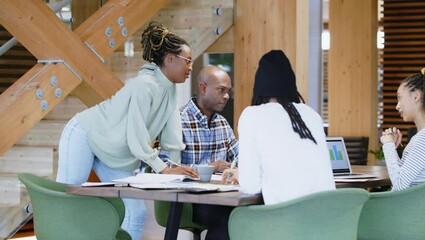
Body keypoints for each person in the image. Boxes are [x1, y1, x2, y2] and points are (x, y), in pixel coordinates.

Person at [56, 21, 198, 240]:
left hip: (113, 154)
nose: (190, 67)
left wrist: (177, 169)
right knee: (70, 200)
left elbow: (172, 135)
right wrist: (163, 169)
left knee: (136, 212)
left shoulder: (168, 89)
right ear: (170, 59)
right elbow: (136, 136)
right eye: (188, 61)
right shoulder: (145, 85)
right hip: (85, 134)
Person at [223, 50, 335, 205]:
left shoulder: (252, 115)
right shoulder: (311, 115)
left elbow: (251, 187)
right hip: (330, 220)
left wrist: (242, 175)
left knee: (231, 222)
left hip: (287, 220)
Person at [380, 68, 425, 191]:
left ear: (416, 97)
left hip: (406, 208)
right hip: (414, 206)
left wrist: (388, 144)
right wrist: (393, 148)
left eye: (400, 98)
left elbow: (399, 184)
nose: (397, 106)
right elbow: (404, 177)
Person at [159, 65, 238, 172]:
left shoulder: (223, 123)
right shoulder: (177, 120)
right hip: (185, 189)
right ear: (203, 88)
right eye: (221, 90)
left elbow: (239, 159)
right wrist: (211, 167)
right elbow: (164, 167)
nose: (227, 96)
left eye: (228, 91)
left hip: (222, 188)